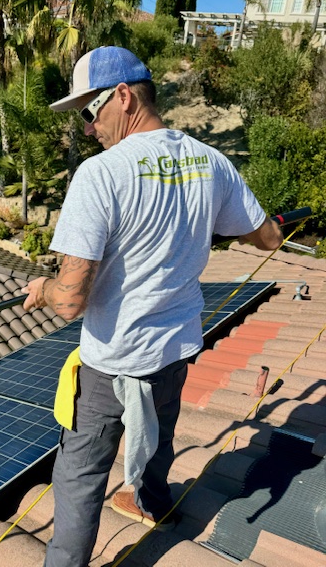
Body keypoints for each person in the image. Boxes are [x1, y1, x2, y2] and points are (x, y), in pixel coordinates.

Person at [22, 46, 283, 567]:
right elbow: (271, 236)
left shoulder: (100, 175)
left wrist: (42, 288)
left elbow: (70, 300)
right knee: (159, 438)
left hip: (110, 368)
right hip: (174, 352)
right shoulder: (211, 162)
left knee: (78, 483)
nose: (89, 129)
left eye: (91, 113)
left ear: (122, 96)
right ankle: (155, 503)